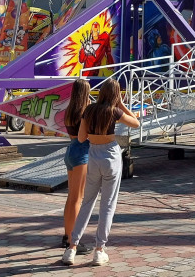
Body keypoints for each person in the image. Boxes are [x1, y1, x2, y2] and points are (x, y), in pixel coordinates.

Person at [63, 79, 140, 267]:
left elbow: (81, 137)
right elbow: (136, 124)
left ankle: (71, 247)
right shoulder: (114, 112)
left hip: (93, 154)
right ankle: (99, 249)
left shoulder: (89, 111)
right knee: (107, 204)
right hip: (110, 155)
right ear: (115, 94)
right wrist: (121, 104)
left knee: (87, 201)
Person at [61, 79, 91, 251]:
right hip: (82, 152)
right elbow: (85, 136)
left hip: (70, 150)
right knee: (77, 198)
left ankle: (67, 234)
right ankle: (74, 240)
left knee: (71, 197)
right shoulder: (84, 111)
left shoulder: (69, 110)